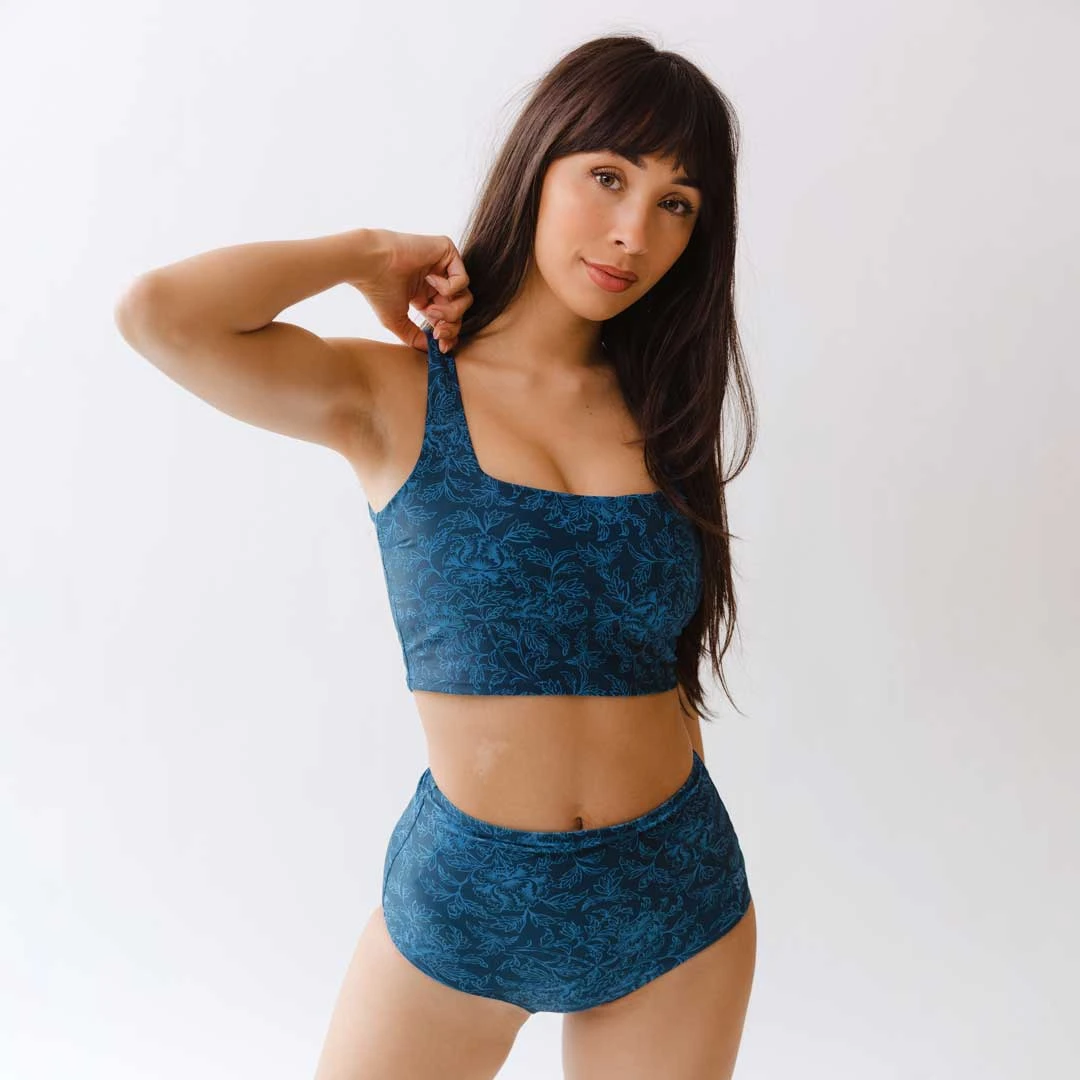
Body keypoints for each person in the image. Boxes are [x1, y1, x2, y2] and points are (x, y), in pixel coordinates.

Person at [114, 32, 758, 1080]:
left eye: (676, 203)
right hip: (466, 904)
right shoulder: (396, 395)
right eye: (608, 176)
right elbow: (158, 315)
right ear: (539, 161)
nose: (633, 232)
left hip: (673, 892)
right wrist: (369, 253)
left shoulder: (665, 413)